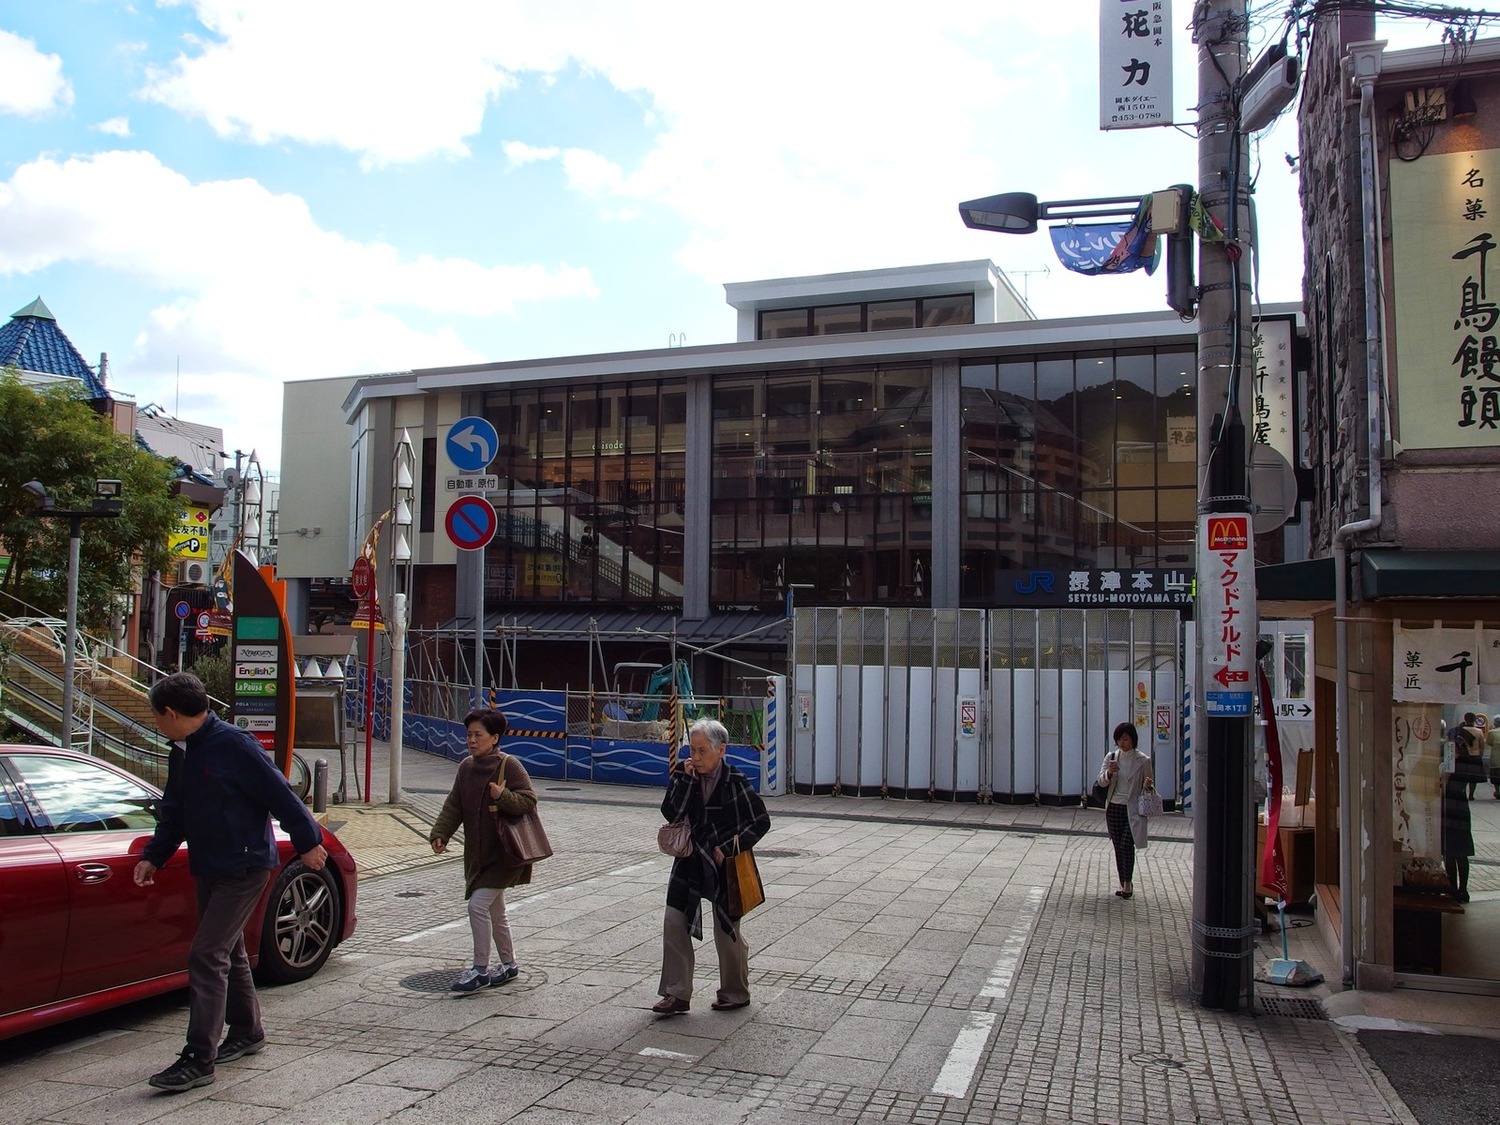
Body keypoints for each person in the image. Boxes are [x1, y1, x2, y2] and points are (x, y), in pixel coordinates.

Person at [134, 672, 328, 1093]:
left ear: (170, 712)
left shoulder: (235, 744)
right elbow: (176, 811)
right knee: (230, 951)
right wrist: (154, 856)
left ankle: (199, 1058)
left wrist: (308, 842)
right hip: (210, 865)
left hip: (245, 866)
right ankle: (247, 1031)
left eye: (157, 716)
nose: (156, 723)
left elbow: (282, 794)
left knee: (207, 954)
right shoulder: (182, 750)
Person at [654, 717, 770, 1015]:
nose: (695, 757)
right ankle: (677, 994)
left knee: (726, 929)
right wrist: (683, 780)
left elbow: (760, 820)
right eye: (692, 750)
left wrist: (731, 847)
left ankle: (735, 992)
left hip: (724, 865)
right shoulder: (686, 775)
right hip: (690, 860)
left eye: (702, 750)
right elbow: (670, 812)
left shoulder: (736, 780)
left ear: (721, 750)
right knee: (673, 921)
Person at [430, 707, 536, 992]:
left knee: (478, 906)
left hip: (503, 853)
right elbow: (454, 805)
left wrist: (503, 796)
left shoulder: (509, 765)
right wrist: (441, 833)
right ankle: (509, 964)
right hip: (478, 855)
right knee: (495, 910)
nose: (472, 740)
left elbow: (528, 801)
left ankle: (480, 969)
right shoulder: (466, 767)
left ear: (495, 737)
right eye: (469, 734)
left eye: (478, 735)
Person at [1096, 721, 1154, 900]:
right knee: (1118, 847)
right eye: (1119, 739)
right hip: (1114, 807)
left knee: (1126, 845)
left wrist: (1148, 786)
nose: (1122, 743)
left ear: (1133, 740)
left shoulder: (1143, 760)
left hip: (1133, 809)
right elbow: (1100, 781)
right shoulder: (1112, 757)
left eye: (1125, 739)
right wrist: (1109, 774)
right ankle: (1123, 882)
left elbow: (1150, 787)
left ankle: (1128, 883)